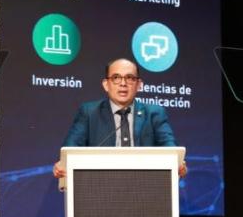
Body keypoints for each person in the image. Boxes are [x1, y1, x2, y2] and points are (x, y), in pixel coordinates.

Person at [53, 58, 187, 178]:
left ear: (139, 85)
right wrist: (62, 164)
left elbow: (169, 146)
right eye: (116, 77)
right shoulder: (89, 112)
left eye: (130, 78)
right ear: (106, 84)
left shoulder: (154, 113)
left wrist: (177, 163)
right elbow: (70, 149)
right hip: (101, 187)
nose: (123, 83)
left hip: (145, 186)